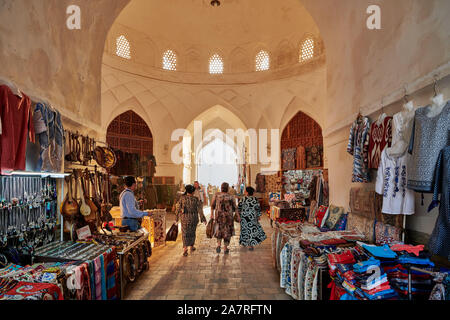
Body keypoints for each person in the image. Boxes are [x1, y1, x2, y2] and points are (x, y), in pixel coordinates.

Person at [175, 184, 207, 256]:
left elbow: (177, 208)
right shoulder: (195, 199)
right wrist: (203, 219)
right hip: (193, 218)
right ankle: (191, 246)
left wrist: (176, 219)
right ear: (193, 192)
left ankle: (185, 249)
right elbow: (200, 210)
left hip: (184, 218)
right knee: (192, 232)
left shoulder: (182, 198)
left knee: (185, 233)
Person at [238, 186, 267, 251]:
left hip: (244, 217)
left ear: (247, 192)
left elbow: (239, 207)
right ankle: (250, 245)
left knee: (244, 229)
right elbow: (258, 208)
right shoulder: (255, 199)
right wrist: (259, 216)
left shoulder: (243, 199)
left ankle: (245, 243)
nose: (244, 192)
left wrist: (239, 215)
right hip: (252, 217)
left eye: (245, 191)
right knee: (251, 230)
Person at [211, 182, 236, 254]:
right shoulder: (231, 196)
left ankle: (218, 245)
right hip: (228, 217)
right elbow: (235, 207)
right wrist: (237, 214)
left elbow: (212, 205)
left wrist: (212, 214)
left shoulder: (217, 195)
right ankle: (225, 248)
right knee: (227, 232)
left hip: (219, 216)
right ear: (228, 188)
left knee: (219, 230)